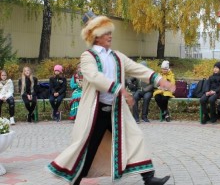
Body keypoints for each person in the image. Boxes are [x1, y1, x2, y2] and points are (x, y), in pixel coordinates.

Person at [47, 11, 174, 185]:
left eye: (109, 32)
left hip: (116, 111)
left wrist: (160, 80)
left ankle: (149, 178)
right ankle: (74, 180)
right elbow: (93, 76)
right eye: (106, 32)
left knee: (135, 137)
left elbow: (138, 69)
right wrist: (120, 90)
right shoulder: (87, 56)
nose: (110, 36)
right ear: (96, 36)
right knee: (89, 150)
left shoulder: (117, 56)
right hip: (96, 112)